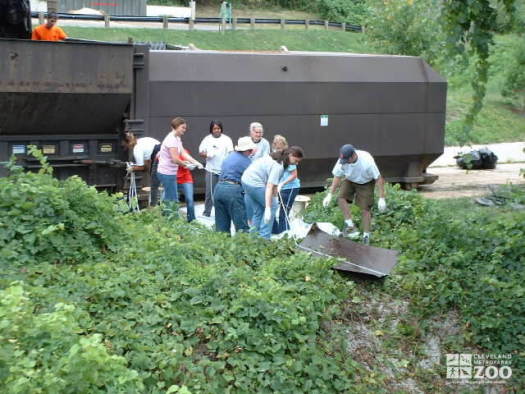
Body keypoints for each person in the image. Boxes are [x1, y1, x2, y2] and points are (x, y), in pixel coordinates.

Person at [322, 144, 387, 245]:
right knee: (341, 198)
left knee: (365, 209)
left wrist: (382, 198)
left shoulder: (367, 162)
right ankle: (350, 226)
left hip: (366, 182)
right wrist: (330, 194)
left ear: (353, 156)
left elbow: (378, 179)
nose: (345, 163)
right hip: (350, 179)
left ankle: (366, 235)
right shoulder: (342, 161)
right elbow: (337, 176)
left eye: (347, 160)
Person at [242, 146, 304, 239]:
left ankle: (253, 238)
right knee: (272, 206)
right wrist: (268, 207)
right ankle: (264, 238)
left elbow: (274, 185)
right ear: (290, 155)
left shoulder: (278, 156)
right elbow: (269, 187)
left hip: (246, 180)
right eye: (296, 161)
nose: (297, 163)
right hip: (255, 183)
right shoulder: (278, 166)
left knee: (259, 211)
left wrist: (276, 191)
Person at [157, 117, 203, 214]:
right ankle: (170, 219)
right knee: (172, 199)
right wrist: (186, 165)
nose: (184, 130)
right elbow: (175, 159)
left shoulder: (177, 138)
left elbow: (183, 153)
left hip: (170, 173)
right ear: (176, 127)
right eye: (183, 128)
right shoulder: (171, 140)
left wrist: (196, 162)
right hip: (166, 173)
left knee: (169, 197)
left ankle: (165, 217)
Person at [214, 137, 256, 234]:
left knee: (221, 227)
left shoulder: (230, 156)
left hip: (219, 188)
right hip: (232, 190)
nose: (251, 152)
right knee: (241, 225)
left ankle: (221, 247)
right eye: (250, 150)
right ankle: (244, 246)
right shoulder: (247, 162)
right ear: (245, 150)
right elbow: (251, 181)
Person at [198, 121, 234, 217]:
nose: (217, 130)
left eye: (218, 128)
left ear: (221, 129)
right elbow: (200, 152)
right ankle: (207, 212)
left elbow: (231, 153)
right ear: (211, 129)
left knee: (224, 192)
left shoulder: (227, 139)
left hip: (224, 170)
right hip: (211, 169)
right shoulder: (207, 139)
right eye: (215, 128)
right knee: (210, 192)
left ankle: (225, 212)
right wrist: (207, 155)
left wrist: (228, 165)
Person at [122, 132, 161, 206]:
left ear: (128, 143)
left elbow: (142, 167)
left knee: (154, 183)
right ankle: (157, 202)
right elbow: (147, 164)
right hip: (162, 151)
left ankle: (153, 205)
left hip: (158, 155)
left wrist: (132, 168)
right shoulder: (143, 140)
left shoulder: (137, 149)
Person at [272, 150, 302, 234]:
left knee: (284, 213)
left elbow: (294, 175)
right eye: (296, 161)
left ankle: (285, 235)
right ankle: (276, 232)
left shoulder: (291, 162)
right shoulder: (281, 160)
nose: (297, 163)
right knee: (273, 210)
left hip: (290, 188)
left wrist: (282, 183)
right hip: (280, 188)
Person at [177, 149, 196, 222]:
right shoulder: (167, 152)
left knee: (189, 199)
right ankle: (174, 220)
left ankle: (192, 220)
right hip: (173, 178)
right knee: (172, 200)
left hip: (186, 178)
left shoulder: (184, 151)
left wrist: (189, 164)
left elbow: (189, 162)